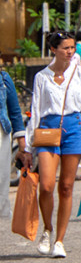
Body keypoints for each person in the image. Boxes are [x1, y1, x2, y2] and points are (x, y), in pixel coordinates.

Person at [23, 31, 81, 258]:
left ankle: (59, 240)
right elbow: (35, 111)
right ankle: (47, 229)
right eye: (65, 48)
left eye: (72, 48)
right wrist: (28, 148)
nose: (70, 52)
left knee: (66, 186)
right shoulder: (42, 77)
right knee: (46, 185)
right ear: (53, 50)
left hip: (74, 128)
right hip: (48, 130)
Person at [0, 62, 27, 219]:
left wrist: (22, 145)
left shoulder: (4, 79)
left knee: (1, 177)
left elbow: (15, 112)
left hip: (1, 134)